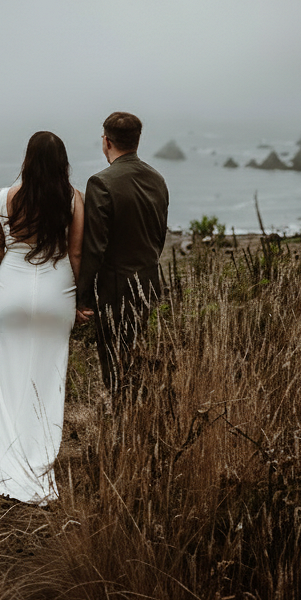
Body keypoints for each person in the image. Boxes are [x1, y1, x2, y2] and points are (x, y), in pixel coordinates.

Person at [0, 131, 84, 506]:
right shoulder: (73, 199)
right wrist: (81, 301)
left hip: (12, 293)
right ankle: (39, 459)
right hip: (57, 292)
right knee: (49, 377)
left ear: (27, 160)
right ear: (61, 162)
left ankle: (7, 452)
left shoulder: (3, 199)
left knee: (10, 374)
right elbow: (77, 255)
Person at [76, 111, 169, 398]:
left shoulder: (101, 182)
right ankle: (137, 416)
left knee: (115, 365)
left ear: (106, 142)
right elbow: (159, 235)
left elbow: (94, 247)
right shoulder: (157, 178)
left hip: (115, 289)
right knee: (136, 356)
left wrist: (82, 298)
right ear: (137, 141)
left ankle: (123, 425)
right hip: (150, 284)